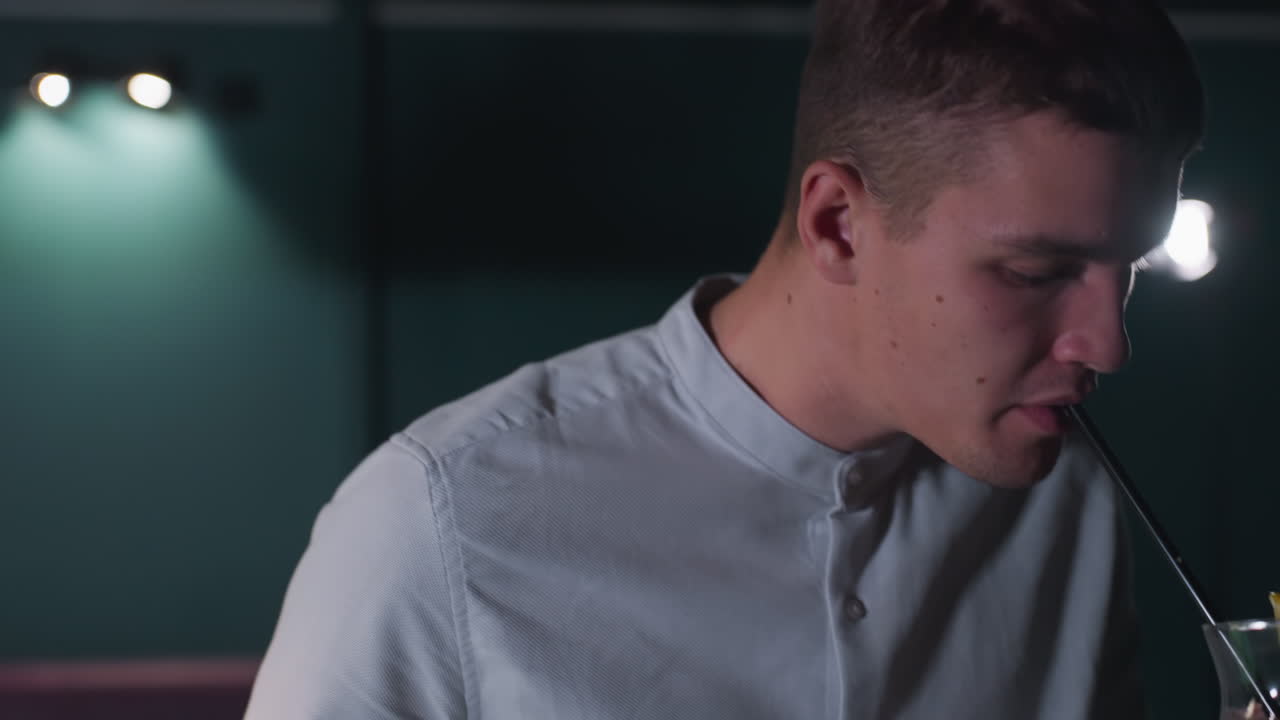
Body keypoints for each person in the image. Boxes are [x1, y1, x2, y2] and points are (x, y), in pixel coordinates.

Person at [245, 0, 1204, 717]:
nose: (1108, 344)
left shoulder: (1062, 493)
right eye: (1038, 270)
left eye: (1132, 270)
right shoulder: (440, 518)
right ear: (837, 225)